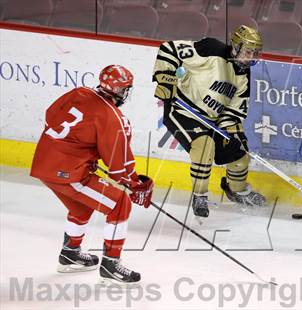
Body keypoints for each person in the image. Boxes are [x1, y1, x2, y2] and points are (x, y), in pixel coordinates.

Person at [30, 65, 153, 286]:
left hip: (44, 164)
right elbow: (118, 165)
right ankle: (111, 266)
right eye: (126, 89)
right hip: (69, 173)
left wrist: (82, 151)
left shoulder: (78, 93)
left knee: (81, 206)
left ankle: (70, 254)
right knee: (120, 203)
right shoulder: (112, 116)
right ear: (121, 90)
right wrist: (135, 184)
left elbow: (50, 116)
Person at [152, 25, 266, 218]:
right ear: (236, 47)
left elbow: (236, 108)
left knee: (239, 154)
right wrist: (165, 80)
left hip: (213, 120)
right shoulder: (211, 49)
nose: (251, 57)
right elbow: (169, 48)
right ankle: (200, 196)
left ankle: (237, 190)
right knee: (204, 147)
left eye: (255, 53)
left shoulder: (243, 73)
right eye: (248, 51)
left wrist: (230, 129)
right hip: (183, 111)